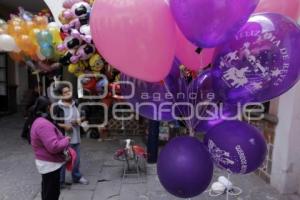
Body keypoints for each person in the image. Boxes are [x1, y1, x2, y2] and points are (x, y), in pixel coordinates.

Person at [29, 96, 70, 200]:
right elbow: (53, 146)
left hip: (46, 163)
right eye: (52, 106)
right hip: (49, 164)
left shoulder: (39, 121)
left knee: (47, 190)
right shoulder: (43, 124)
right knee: (52, 194)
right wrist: (66, 140)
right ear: (48, 107)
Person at [53, 83, 89, 186]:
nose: (69, 93)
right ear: (61, 95)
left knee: (76, 159)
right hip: (63, 138)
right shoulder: (57, 107)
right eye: (65, 92)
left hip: (76, 137)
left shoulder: (76, 103)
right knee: (63, 160)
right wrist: (64, 126)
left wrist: (78, 120)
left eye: (69, 91)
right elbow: (53, 123)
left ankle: (76, 177)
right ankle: (60, 182)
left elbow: (84, 115)